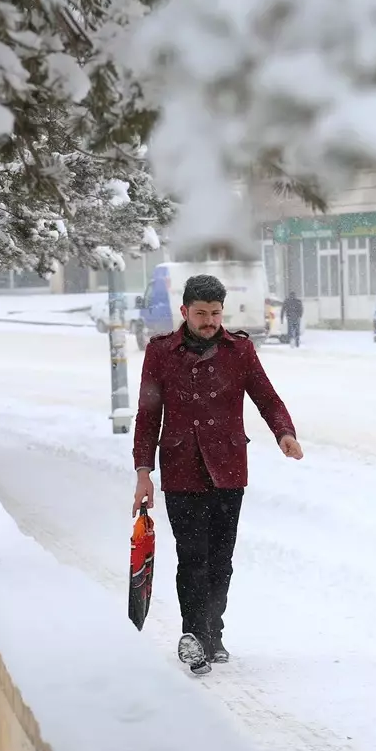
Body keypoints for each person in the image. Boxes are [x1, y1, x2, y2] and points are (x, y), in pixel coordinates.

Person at [132, 274, 304, 675]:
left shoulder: (239, 350)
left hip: (228, 469)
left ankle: (214, 632)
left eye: (215, 314)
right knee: (191, 558)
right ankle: (193, 636)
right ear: (184, 311)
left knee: (221, 561)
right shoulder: (160, 352)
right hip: (180, 472)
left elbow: (267, 397)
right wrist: (144, 473)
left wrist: (285, 433)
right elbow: (147, 416)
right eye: (201, 314)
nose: (209, 321)